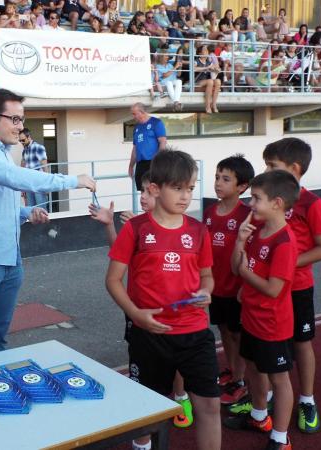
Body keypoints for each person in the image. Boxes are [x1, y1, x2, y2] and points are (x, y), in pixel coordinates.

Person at [0, 89, 96, 361]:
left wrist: (27, 212)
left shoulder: (4, 152)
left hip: (10, 258)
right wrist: (73, 180)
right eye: (15, 119)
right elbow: (14, 178)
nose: (20, 127)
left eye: (21, 120)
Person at [106, 150, 221, 450]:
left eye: (191, 188)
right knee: (147, 409)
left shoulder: (198, 231)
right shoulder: (135, 229)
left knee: (209, 406)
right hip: (150, 334)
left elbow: (207, 276)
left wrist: (206, 291)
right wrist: (135, 314)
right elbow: (113, 280)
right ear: (155, 189)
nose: (186, 196)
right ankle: (142, 446)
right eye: (178, 188)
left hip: (195, 333)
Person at [90, 171, 195, 430]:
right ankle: (143, 397)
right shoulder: (136, 227)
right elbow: (122, 256)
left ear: (159, 193)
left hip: (173, 308)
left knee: (177, 354)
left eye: (147, 192)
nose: (143, 197)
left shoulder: (173, 225)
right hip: (139, 307)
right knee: (140, 353)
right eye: (142, 192)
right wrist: (109, 225)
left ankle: (181, 397)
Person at [225, 170, 300, 450]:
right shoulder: (257, 231)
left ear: (277, 203)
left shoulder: (284, 241)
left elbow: (274, 289)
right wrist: (240, 242)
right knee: (256, 370)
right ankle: (259, 417)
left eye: (256, 198)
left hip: (273, 324)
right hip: (252, 318)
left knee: (279, 380)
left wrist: (246, 274)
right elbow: (236, 268)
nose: (251, 204)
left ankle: (281, 437)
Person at [263, 138, 321, 433]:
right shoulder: (266, 198)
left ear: (294, 168)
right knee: (265, 343)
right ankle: (263, 398)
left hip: (298, 287)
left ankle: (306, 399)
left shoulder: (311, 203)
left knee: (301, 343)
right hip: (267, 288)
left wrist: (289, 264)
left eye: (272, 166)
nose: (266, 171)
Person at [203, 155, 255, 406]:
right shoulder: (210, 212)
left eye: (225, 179)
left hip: (236, 289)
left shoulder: (247, 215)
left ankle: (241, 379)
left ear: (242, 186)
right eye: (216, 177)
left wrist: (245, 286)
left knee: (237, 335)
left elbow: (251, 254)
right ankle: (233, 371)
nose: (218, 183)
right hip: (216, 287)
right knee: (224, 331)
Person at [127, 103, 167, 191]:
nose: (133, 116)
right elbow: (135, 149)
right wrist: (130, 166)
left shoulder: (156, 123)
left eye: (134, 114)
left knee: (153, 191)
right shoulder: (136, 128)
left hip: (153, 163)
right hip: (140, 164)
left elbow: (163, 142)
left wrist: (157, 161)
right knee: (143, 191)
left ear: (141, 112)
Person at [19, 129, 49, 210]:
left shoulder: (38, 147)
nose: (21, 142)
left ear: (29, 137)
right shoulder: (25, 150)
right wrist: (22, 186)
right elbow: (23, 166)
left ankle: (43, 223)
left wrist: (47, 183)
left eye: (23, 140)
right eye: (20, 141)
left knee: (41, 206)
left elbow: (44, 165)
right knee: (30, 208)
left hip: (38, 181)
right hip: (28, 182)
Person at [194, 44, 221, 114]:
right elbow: (193, 69)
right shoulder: (196, 61)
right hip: (197, 84)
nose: (207, 52)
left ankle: (214, 104)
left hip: (207, 84)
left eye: (207, 50)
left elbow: (216, 70)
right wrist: (206, 68)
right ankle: (207, 106)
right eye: (205, 50)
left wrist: (216, 70)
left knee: (218, 81)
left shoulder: (209, 62)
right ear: (200, 53)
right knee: (210, 82)